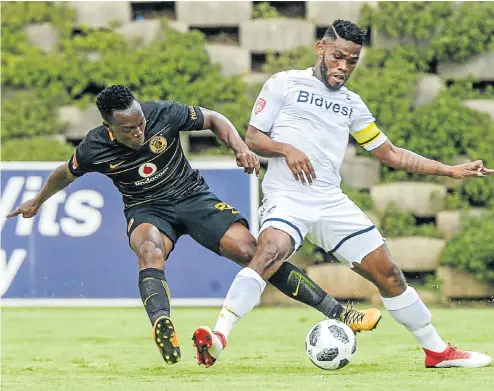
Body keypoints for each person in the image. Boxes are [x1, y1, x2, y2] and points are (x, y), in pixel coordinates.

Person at [7, 85, 381, 366]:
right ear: (108, 128)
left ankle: (339, 312)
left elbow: (215, 119)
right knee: (149, 250)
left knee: (254, 252)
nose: (138, 133)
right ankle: (163, 325)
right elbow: (64, 173)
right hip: (147, 208)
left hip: (193, 198)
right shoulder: (93, 148)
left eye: (140, 125)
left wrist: (240, 147)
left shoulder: (163, 114)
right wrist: (38, 201)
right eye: (128, 130)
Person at [193, 20, 494, 369]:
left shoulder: (352, 104)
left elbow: (391, 154)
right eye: (338, 56)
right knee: (268, 253)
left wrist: (449, 170)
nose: (343, 66)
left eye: (352, 61)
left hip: (330, 201)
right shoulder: (284, 83)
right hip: (288, 198)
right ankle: (218, 338)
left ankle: (437, 351)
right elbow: (254, 138)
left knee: (391, 274)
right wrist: (287, 149)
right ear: (321, 49)